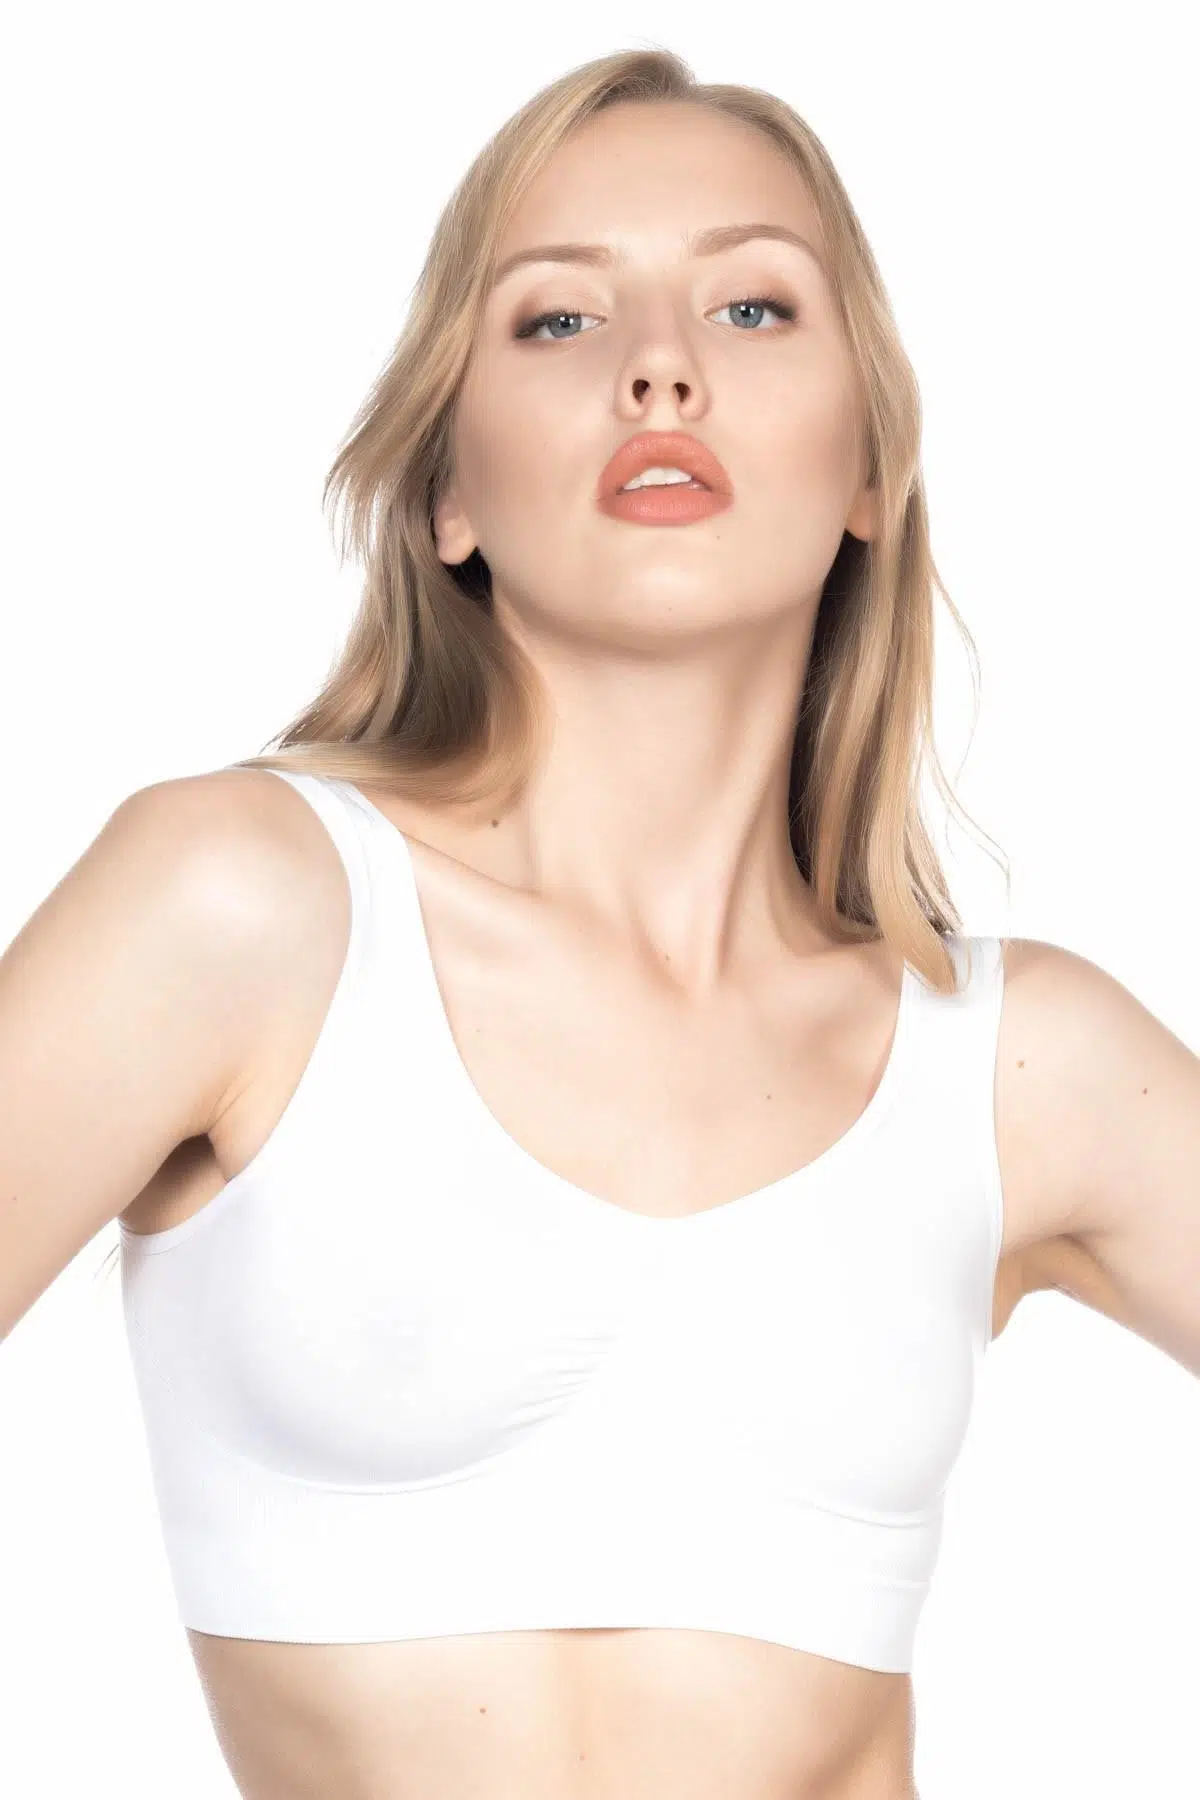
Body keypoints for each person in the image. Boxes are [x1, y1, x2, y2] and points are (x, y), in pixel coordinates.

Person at [3, 45, 1197, 1800]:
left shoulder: (1020, 1063)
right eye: (559, 319)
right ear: (447, 494)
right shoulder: (242, 911)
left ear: (868, 473)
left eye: (754, 306)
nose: (660, 365)